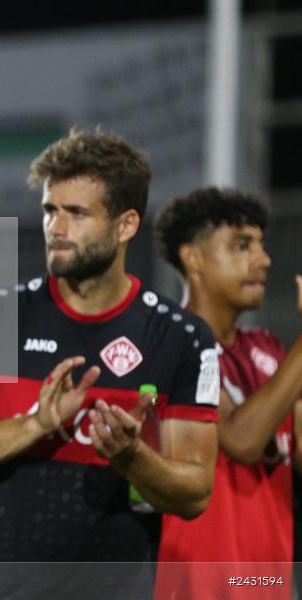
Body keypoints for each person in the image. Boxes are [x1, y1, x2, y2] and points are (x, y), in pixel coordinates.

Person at [0, 129, 221, 599]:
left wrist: (131, 456)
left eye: (76, 213)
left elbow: (195, 493)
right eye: (50, 210)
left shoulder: (182, 338)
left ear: (126, 225)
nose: (56, 228)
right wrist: (36, 423)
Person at [152, 188, 302, 600]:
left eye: (261, 245)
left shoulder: (270, 349)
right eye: (241, 246)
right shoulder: (169, 342)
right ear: (193, 258)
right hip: (197, 589)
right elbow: (242, 439)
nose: (264, 259)